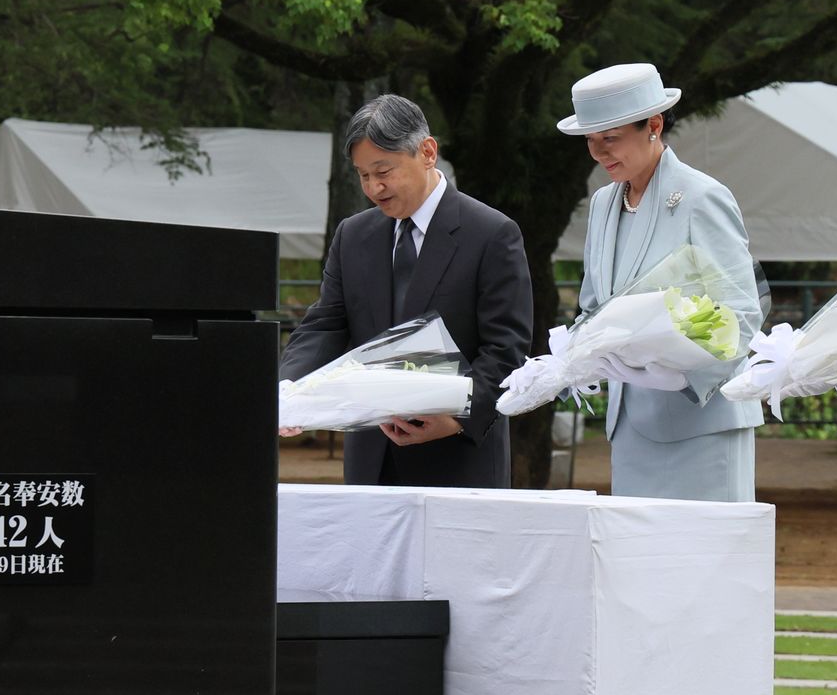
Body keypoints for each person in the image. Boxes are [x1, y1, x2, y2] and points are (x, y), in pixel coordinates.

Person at [280, 94, 533, 487]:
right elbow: (325, 325)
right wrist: (288, 390)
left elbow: (506, 350)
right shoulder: (353, 235)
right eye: (363, 175)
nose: (374, 187)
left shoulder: (492, 234)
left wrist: (453, 419)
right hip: (370, 462)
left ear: (427, 152)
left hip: (458, 462)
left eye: (384, 170)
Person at [558, 63, 764, 501]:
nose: (598, 153)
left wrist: (677, 372)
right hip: (630, 425)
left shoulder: (701, 196)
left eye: (610, 138)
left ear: (653, 125)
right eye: (590, 142)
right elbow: (594, 308)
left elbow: (742, 315)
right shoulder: (602, 204)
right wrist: (570, 358)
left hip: (701, 423)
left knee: (703, 563)